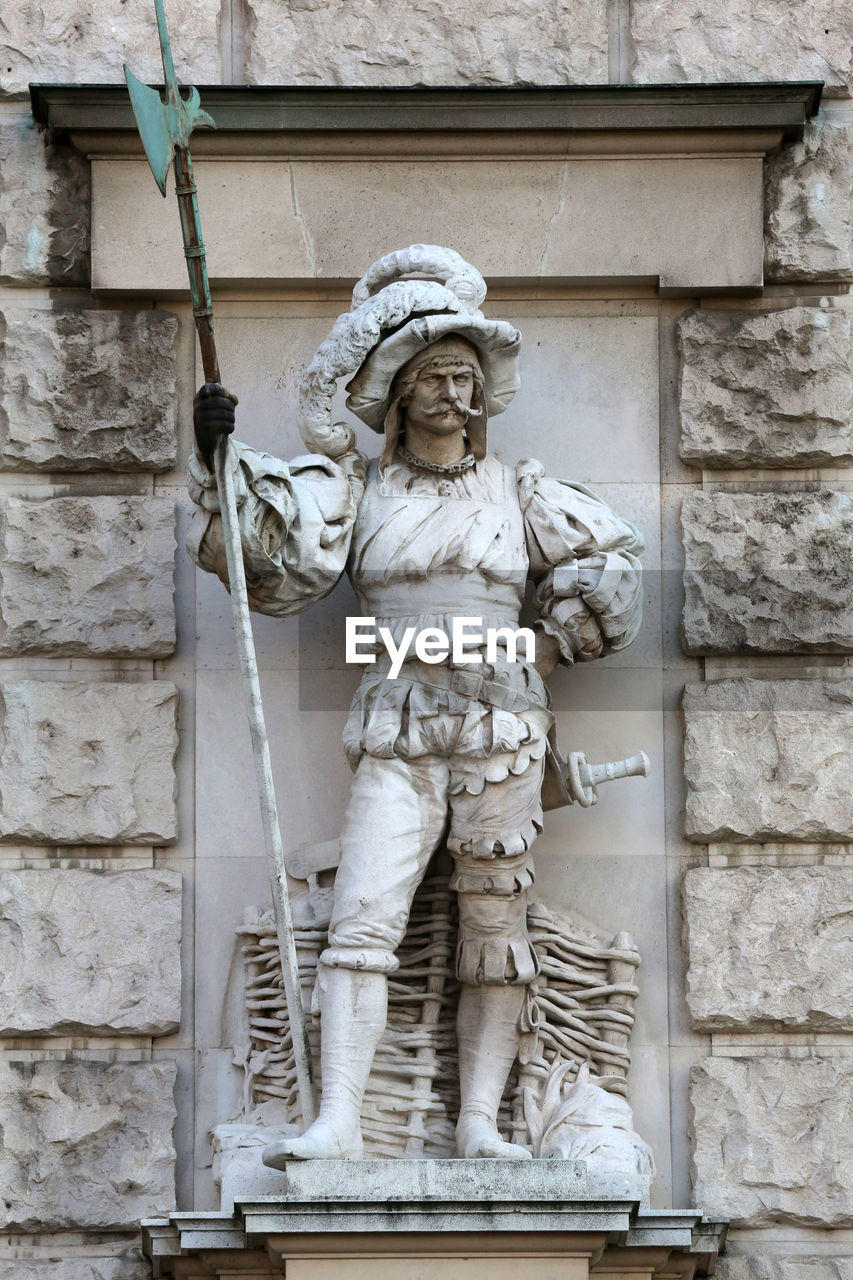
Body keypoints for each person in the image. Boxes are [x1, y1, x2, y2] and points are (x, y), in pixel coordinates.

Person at [188, 246, 644, 1163]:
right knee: (361, 918)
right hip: (397, 726)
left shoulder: (521, 492)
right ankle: (339, 1120)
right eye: (432, 375)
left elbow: (616, 566)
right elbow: (264, 556)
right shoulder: (356, 491)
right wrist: (218, 454)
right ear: (398, 392)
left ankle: (479, 1122)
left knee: (494, 930)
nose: (450, 393)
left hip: (504, 732)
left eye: (464, 376)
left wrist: (545, 649)